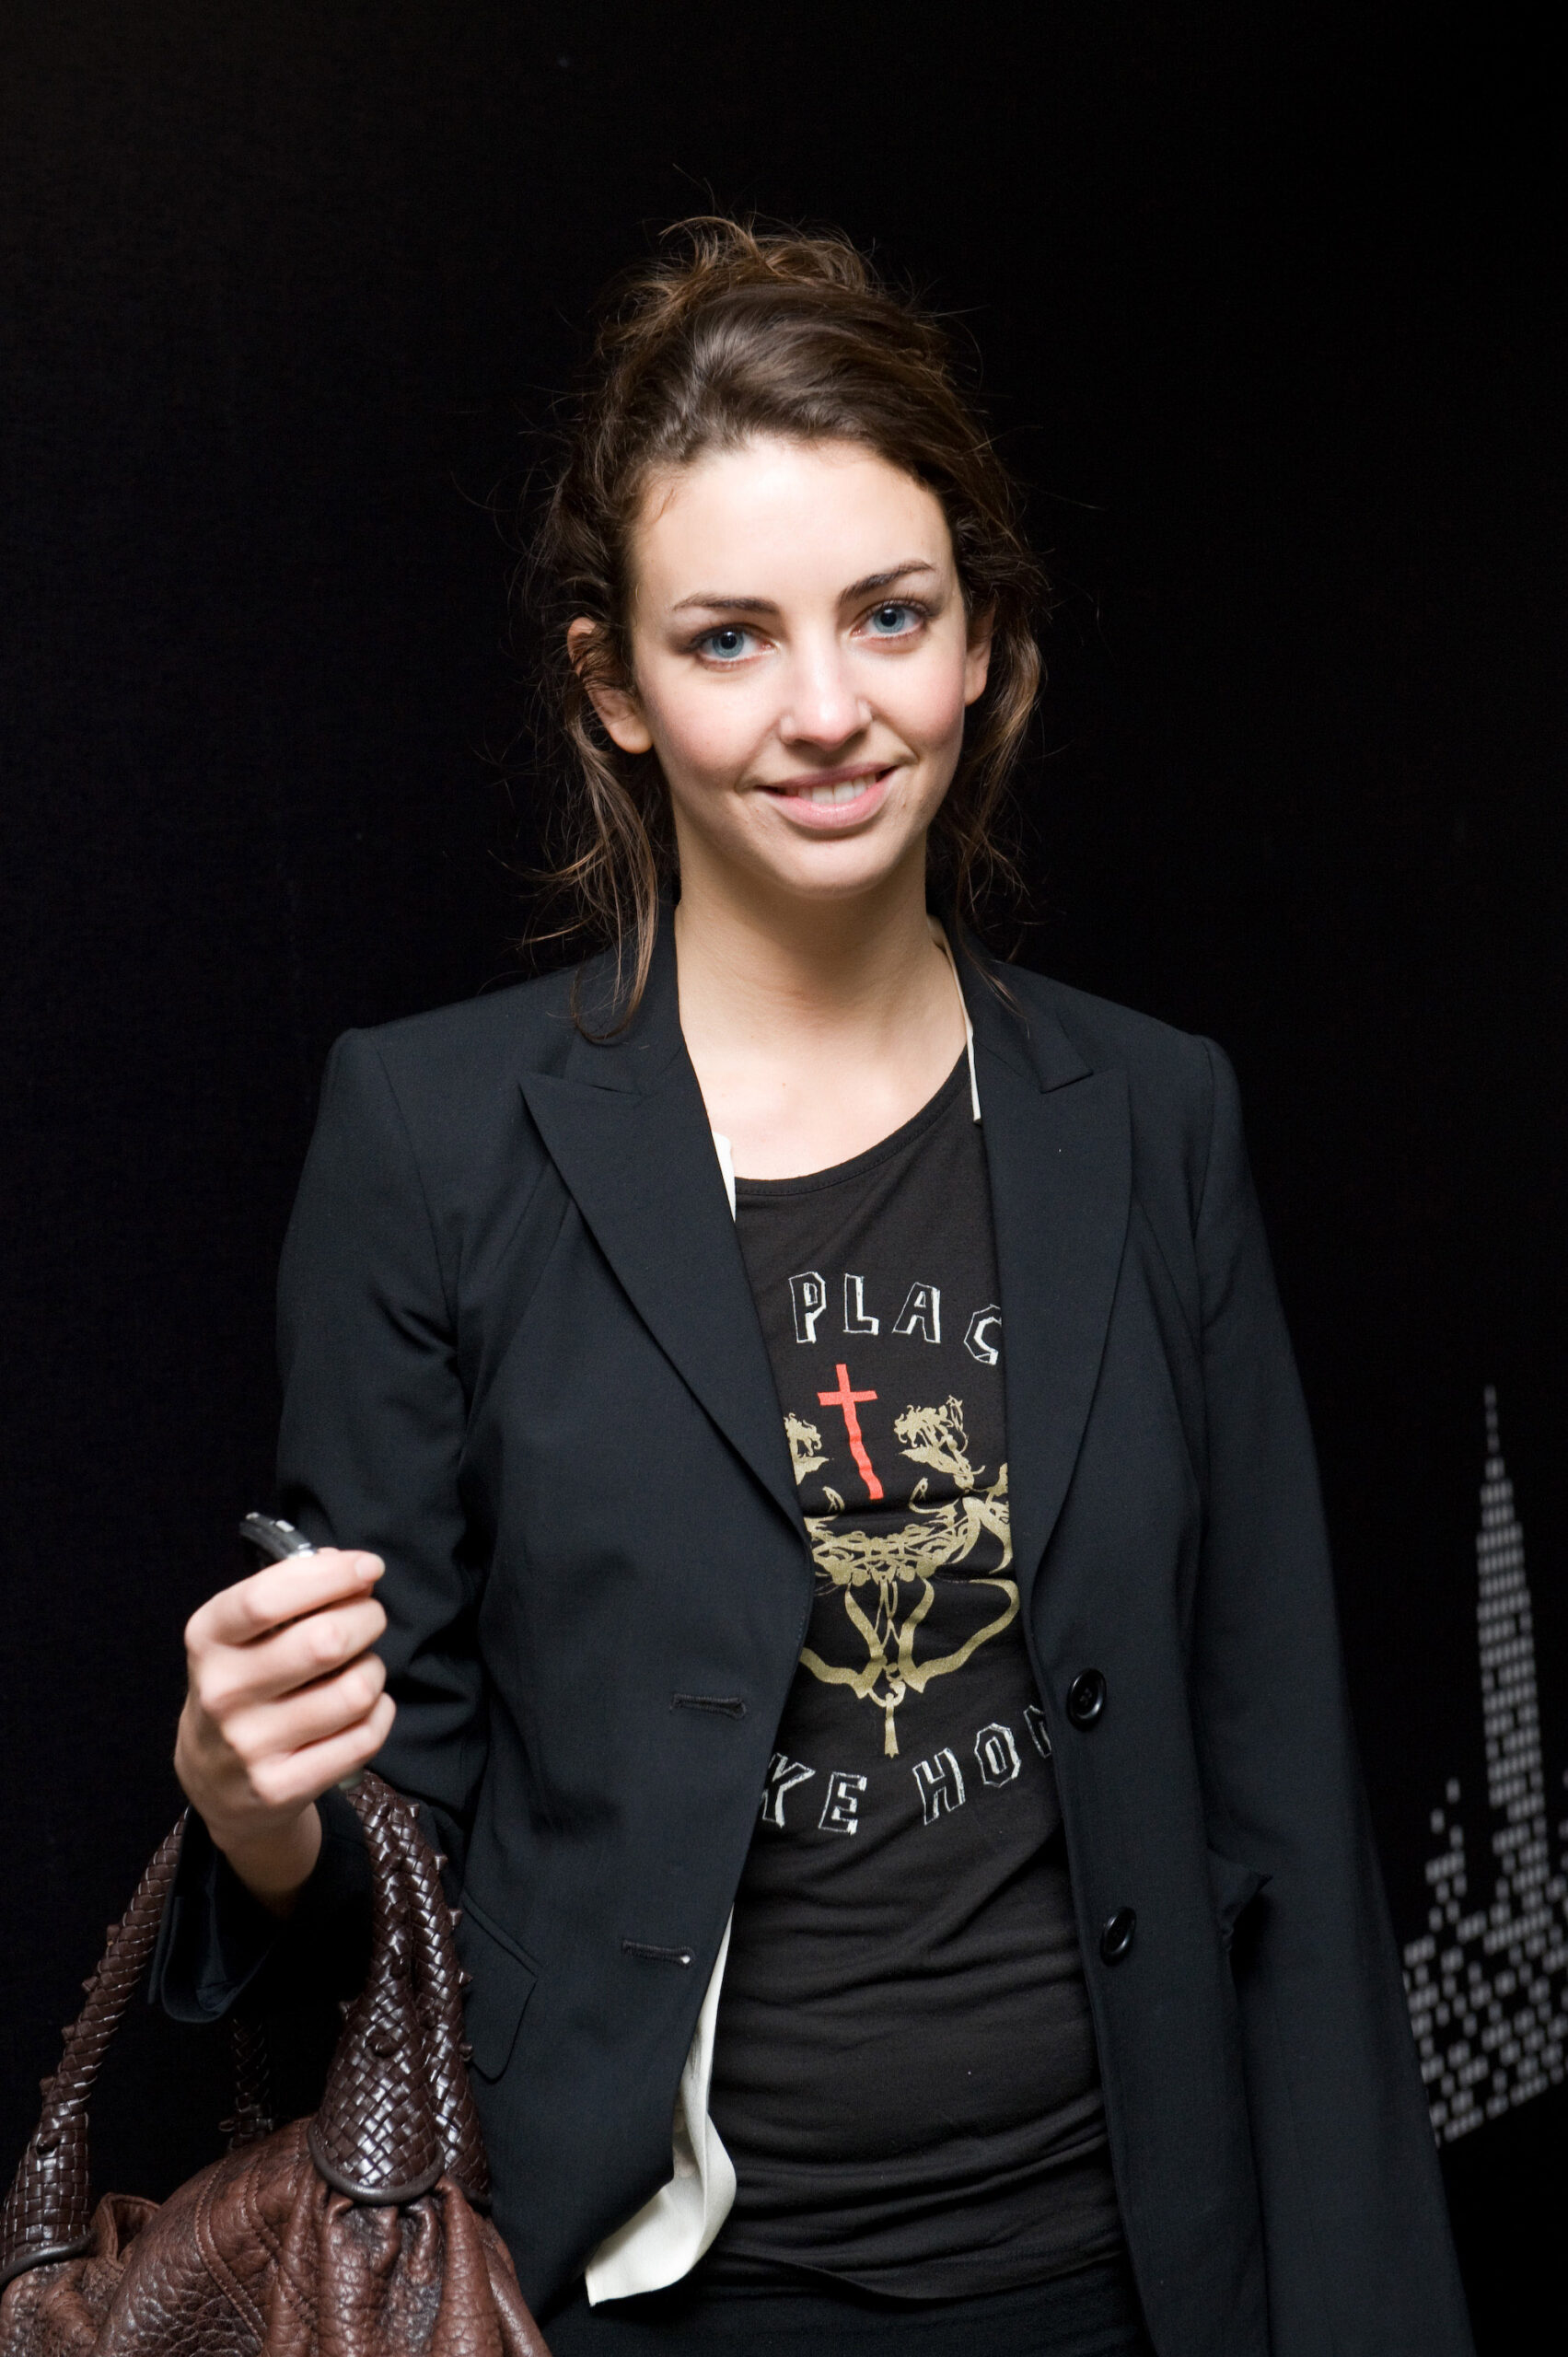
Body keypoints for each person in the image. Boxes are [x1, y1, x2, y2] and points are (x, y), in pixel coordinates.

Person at [157, 221, 1473, 2357]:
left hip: (1121, 2282)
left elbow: (1285, 1811)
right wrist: (256, 1812)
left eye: (890, 613)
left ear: (984, 641)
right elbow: (398, 1854)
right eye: (730, 638)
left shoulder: (1156, 1115)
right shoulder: (432, 1136)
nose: (830, 709)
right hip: (646, 2294)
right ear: (615, 685)